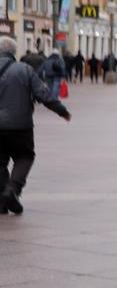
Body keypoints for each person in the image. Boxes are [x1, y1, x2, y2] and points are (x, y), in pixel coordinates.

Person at [0, 35, 71, 216]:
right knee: (24, 157)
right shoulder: (24, 69)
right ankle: (12, 190)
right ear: (14, 52)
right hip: (20, 125)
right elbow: (43, 94)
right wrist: (61, 110)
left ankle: (3, 198)